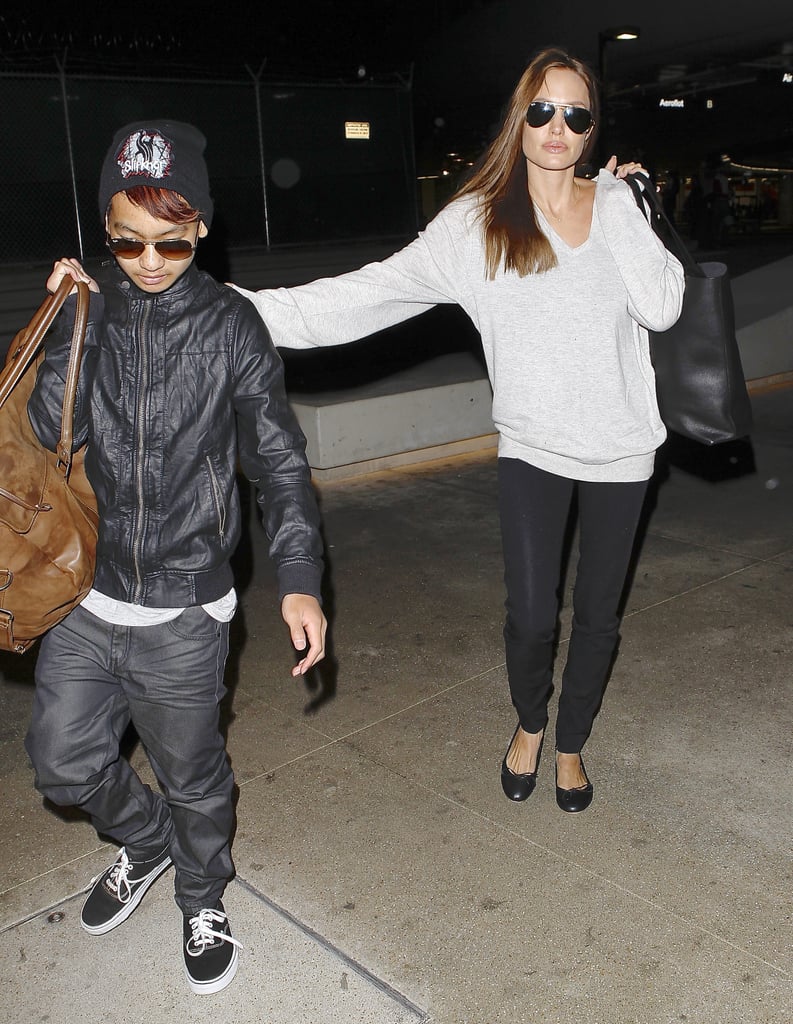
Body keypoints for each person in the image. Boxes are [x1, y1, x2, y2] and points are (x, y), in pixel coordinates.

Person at [232, 47, 685, 814]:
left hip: (622, 450)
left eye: (575, 116)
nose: (556, 128)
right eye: (541, 110)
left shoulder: (615, 207)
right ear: (520, 118)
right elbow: (363, 296)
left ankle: (570, 742)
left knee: (600, 616)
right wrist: (233, 307)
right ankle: (530, 721)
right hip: (534, 449)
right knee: (532, 615)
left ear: (590, 130)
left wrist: (620, 202)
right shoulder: (476, 225)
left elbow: (664, 306)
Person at [24, 120, 326, 994]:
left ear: (201, 227)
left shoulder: (233, 325)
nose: (149, 259)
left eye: (171, 239)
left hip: (185, 611)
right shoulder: (93, 309)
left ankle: (201, 892)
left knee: (196, 781)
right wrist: (63, 328)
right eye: (126, 239)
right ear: (103, 231)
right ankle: (144, 841)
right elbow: (45, 440)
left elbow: (276, 460)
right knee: (63, 761)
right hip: (86, 593)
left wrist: (299, 580)